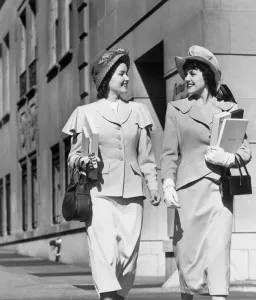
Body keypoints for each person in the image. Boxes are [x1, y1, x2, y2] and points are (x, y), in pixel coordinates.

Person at [62, 48, 161, 300]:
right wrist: (85, 160)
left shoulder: (138, 111)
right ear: (107, 78)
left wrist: (154, 185)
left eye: (127, 73)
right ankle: (107, 297)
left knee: (128, 258)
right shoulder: (85, 113)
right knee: (105, 253)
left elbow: (146, 156)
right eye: (121, 73)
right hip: (99, 193)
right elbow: (72, 157)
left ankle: (116, 296)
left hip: (133, 195)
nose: (127, 78)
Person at [160, 45, 252, 300]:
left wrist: (228, 157)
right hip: (188, 194)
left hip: (219, 193)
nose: (186, 78)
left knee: (218, 253)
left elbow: (245, 151)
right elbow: (168, 154)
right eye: (185, 73)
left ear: (208, 75)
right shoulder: (176, 109)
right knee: (188, 263)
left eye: (193, 73)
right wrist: (167, 183)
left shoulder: (229, 108)